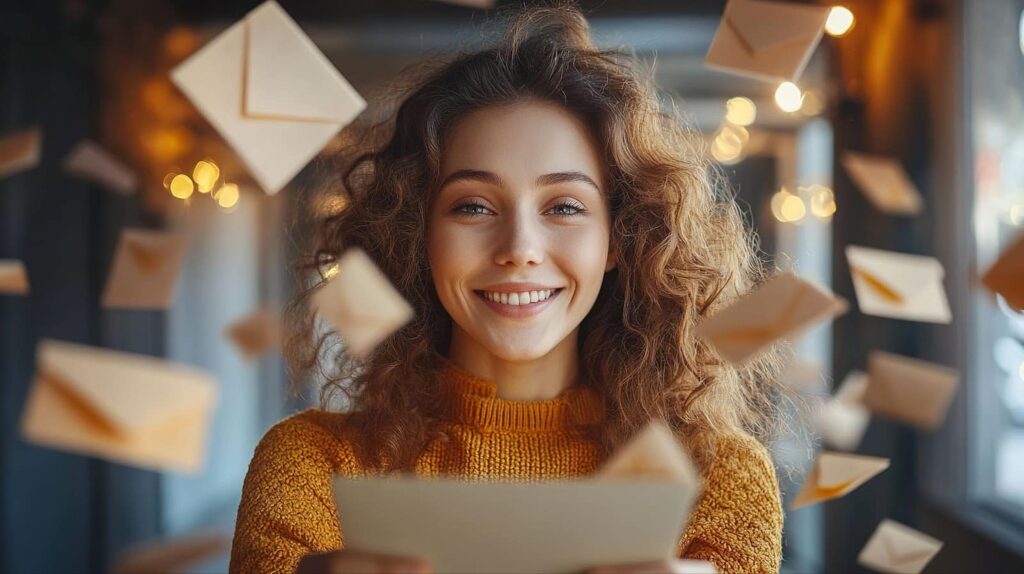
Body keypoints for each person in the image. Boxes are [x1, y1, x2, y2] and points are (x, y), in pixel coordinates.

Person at [230, 3, 785, 573]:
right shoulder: (311, 463)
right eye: (472, 206)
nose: (519, 246)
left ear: (620, 237)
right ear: (417, 235)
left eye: (564, 207)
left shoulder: (716, 475)